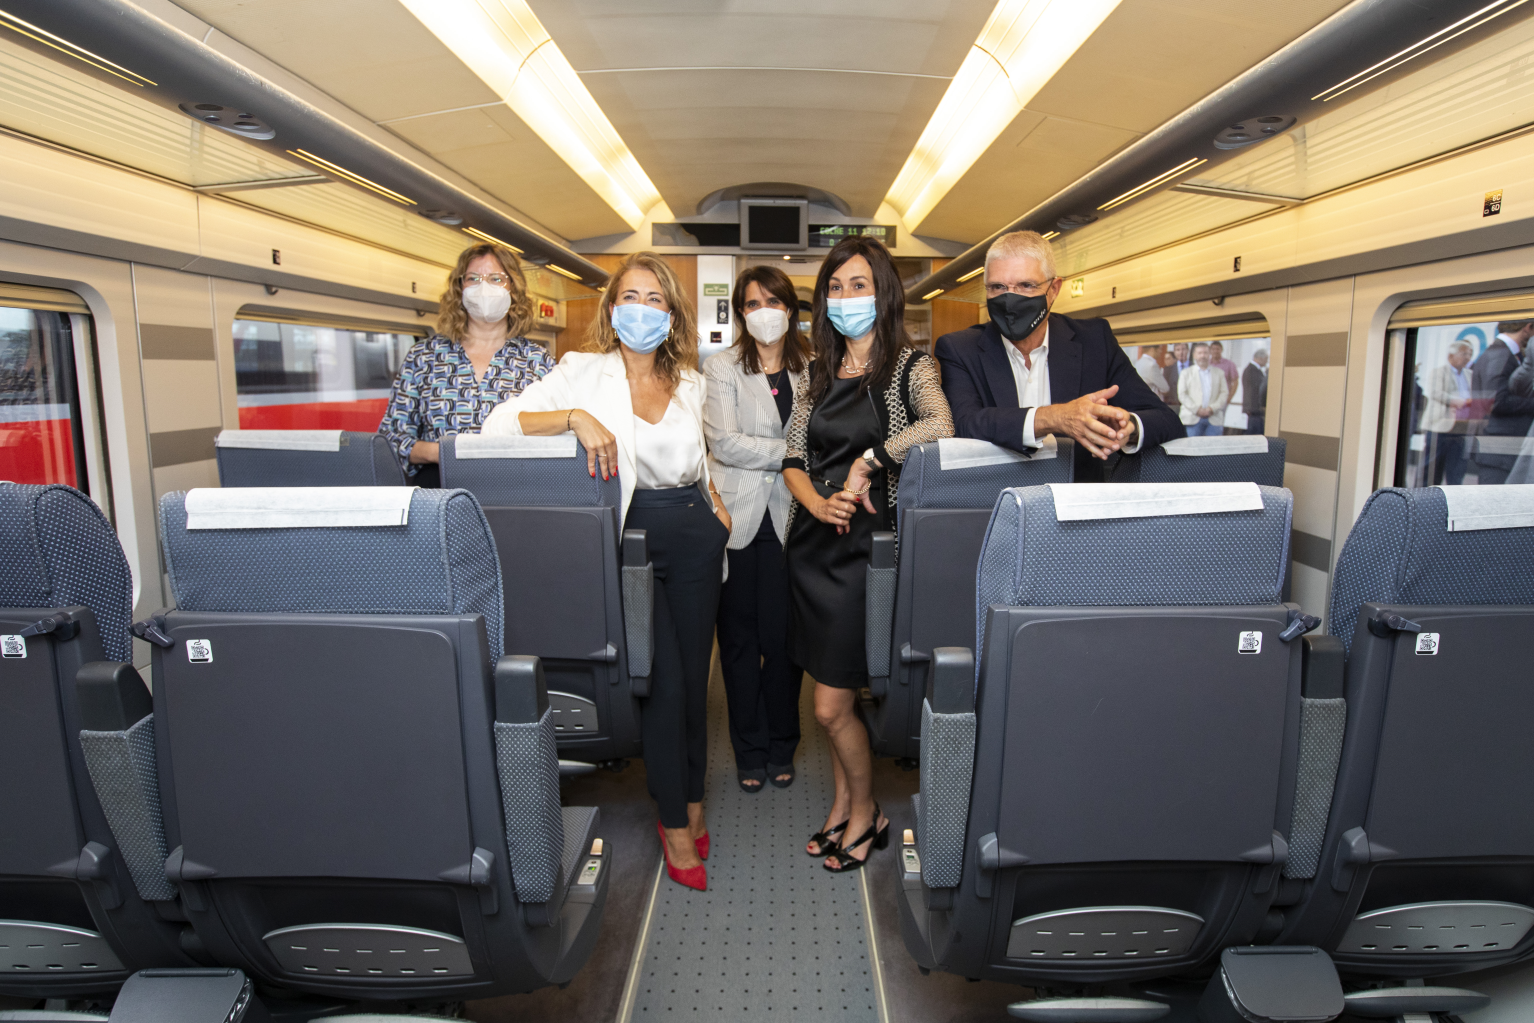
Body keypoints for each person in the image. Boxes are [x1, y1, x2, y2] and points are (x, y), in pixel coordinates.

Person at [482, 252, 729, 892]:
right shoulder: (580, 372)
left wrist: (716, 501)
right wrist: (572, 418)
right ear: (611, 307)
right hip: (631, 538)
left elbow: (698, 457)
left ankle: (693, 800)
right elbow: (498, 423)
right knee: (664, 684)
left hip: (696, 533)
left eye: (654, 299)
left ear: (670, 313)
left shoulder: (690, 379)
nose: (641, 309)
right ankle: (674, 823)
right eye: (630, 296)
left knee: (698, 678)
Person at [782, 236, 953, 873]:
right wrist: (817, 501)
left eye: (859, 285)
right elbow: (792, 458)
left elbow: (941, 426)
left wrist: (869, 458)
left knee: (830, 705)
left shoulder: (911, 367)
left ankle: (868, 812)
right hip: (811, 545)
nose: (846, 297)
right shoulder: (817, 372)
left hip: (866, 554)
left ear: (883, 293)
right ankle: (842, 805)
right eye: (836, 287)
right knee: (835, 702)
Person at [933, 231, 1183, 481]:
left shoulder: (1095, 341)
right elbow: (966, 423)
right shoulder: (959, 348)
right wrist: (1056, 417)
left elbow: (1165, 420)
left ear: (1053, 289)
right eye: (997, 287)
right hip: (994, 501)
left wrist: (1128, 427)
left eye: (1026, 286)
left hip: (1077, 504)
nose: (1010, 299)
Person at [704, 265, 811, 794]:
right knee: (740, 642)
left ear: (790, 309)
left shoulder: (814, 367)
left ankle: (781, 743)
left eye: (772, 301)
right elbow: (723, 443)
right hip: (737, 520)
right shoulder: (722, 367)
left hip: (795, 518)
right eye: (751, 303)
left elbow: (824, 438)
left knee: (785, 642)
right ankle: (749, 748)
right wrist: (794, 455)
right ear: (741, 313)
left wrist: (786, 459)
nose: (763, 311)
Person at [379, 242, 554, 486]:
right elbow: (390, 438)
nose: (484, 287)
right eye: (473, 278)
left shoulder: (538, 361)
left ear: (513, 289)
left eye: (496, 278)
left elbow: (555, 437)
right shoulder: (425, 356)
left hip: (516, 488)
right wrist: (440, 453)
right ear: (460, 288)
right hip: (440, 488)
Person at [1469, 321, 1534, 485]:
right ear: (1528, 327)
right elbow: (1497, 402)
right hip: (1499, 453)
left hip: (1502, 452)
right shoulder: (1500, 354)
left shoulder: (1503, 353)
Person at [1420, 340, 1474, 485]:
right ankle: (1424, 502)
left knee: (1456, 470)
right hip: (1439, 427)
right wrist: (1459, 401)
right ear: (1451, 356)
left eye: (1470, 354)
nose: (1468, 357)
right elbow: (1435, 393)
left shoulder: (1470, 374)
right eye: (1464, 354)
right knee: (1431, 470)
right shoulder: (1438, 372)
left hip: (1460, 428)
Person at [1178, 342, 1228, 437]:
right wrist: (1197, 409)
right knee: (1191, 450)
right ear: (1194, 355)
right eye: (1200, 353)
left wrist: (1212, 408)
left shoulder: (1219, 373)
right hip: (1192, 418)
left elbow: (1224, 393)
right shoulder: (1186, 373)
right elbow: (1182, 394)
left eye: (1205, 353)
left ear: (1209, 355)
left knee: (1214, 450)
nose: (1203, 356)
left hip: (1214, 418)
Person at [1242, 347, 1270, 435]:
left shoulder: (1254, 370)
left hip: (1254, 409)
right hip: (1254, 409)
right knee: (1255, 434)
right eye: (1266, 359)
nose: (1266, 362)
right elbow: (1257, 390)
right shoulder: (1251, 370)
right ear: (1260, 358)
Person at [1209, 341, 1240, 409]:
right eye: (1213, 349)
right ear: (1210, 351)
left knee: (1218, 419)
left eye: (1217, 349)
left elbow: (1235, 382)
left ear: (1221, 350)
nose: (1215, 351)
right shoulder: (1205, 364)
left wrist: (1229, 399)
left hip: (1221, 400)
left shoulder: (1229, 364)